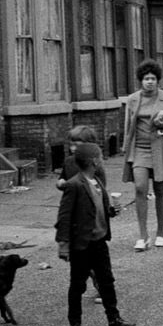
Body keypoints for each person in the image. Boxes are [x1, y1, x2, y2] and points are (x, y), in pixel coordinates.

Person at [55, 143, 136, 326]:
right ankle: (75, 324)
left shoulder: (97, 182)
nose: (101, 160)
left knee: (107, 282)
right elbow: (64, 218)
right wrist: (63, 245)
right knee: (78, 285)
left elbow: (97, 208)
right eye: (100, 157)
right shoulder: (74, 185)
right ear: (94, 161)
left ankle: (114, 319)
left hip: (100, 242)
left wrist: (111, 211)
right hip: (81, 246)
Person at [121, 59, 163, 252]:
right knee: (140, 187)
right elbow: (127, 127)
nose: (149, 81)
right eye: (146, 78)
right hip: (138, 149)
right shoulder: (132, 99)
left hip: (160, 150)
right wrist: (125, 147)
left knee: (160, 191)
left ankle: (160, 233)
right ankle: (142, 235)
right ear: (141, 80)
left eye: (153, 78)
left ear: (158, 80)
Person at [57, 125, 107, 305]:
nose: (73, 149)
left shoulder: (96, 165)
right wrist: (61, 183)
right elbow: (62, 179)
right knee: (80, 256)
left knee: (93, 256)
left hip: (89, 215)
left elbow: (100, 188)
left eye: (78, 145)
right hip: (73, 213)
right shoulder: (70, 162)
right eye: (71, 144)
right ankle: (84, 281)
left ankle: (99, 285)